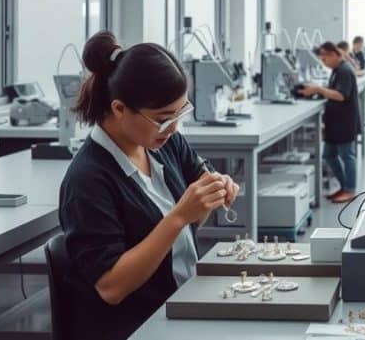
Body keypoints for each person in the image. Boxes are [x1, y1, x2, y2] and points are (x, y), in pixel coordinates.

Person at [59, 32, 240, 340]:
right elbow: (111, 287)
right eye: (163, 118)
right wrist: (178, 217)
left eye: (180, 114)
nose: (173, 127)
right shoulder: (87, 180)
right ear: (119, 109)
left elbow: (199, 188)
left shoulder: (164, 143)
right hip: (135, 327)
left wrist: (215, 189)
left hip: (181, 304)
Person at [300, 42, 360, 203]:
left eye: (324, 59)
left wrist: (318, 89)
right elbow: (334, 92)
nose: (323, 62)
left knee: (347, 155)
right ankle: (344, 186)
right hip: (335, 122)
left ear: (333, 55)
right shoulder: (336, 70)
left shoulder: (345, 71)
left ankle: (350, 190)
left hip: (345, 122)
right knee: (329, 155)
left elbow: (341, 95)